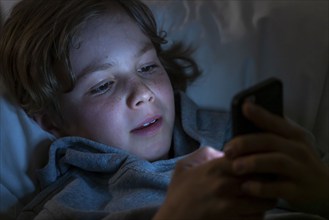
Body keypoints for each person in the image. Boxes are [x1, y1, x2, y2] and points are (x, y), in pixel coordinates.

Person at [0, 0, 328, 219]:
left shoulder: (239, 130)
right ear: (52, 122)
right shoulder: (65, 206)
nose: (142, 93)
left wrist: (320, 191)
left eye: (147, 67)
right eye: (103, 85)